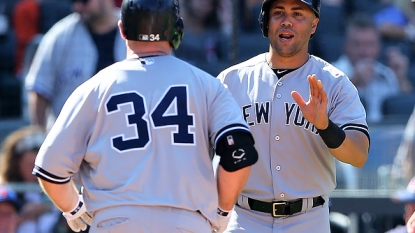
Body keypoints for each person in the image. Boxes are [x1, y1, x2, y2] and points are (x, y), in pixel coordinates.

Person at [32, 0, 258, 233]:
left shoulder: (95, 88)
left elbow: (50, 168)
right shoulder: (207, 85)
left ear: (122, 30)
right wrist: (221, 211)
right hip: (187, 222)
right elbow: (238, 153)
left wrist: (73, 209)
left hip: (115, 222)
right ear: (177, 30)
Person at [216, 0, 370, 232]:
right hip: (244, 218)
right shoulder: (231, 81)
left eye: (298, 13)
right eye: (278, 12)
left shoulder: (334, 83)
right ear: (266, 22)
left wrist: (325, 127)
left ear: (314, 24)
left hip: (307, 219)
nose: (286, 21)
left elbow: (358, 154)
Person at [25, 0, 126, 131]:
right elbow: (40, 91)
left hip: (125, 136)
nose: (77, 7)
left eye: (84, 1)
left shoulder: (135, 29)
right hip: (73, 141)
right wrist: (39, 136)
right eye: (73, 1)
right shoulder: (59, 36)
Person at [333, 13, 402, 123]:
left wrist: (401, 78)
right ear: (346, 46)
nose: (364, 51)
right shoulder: (330, 72)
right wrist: (353, 82)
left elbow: (400, 110)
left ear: (378, 47)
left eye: (370, 44)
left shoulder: (387, 74)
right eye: (357, 44)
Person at [0, 125, 63, 233]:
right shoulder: (6, 193)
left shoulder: (60, 187)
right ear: (16, 164)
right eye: (28, 164)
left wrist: (49, 208)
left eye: (38, 165)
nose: (34, 171)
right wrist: (21, 216)